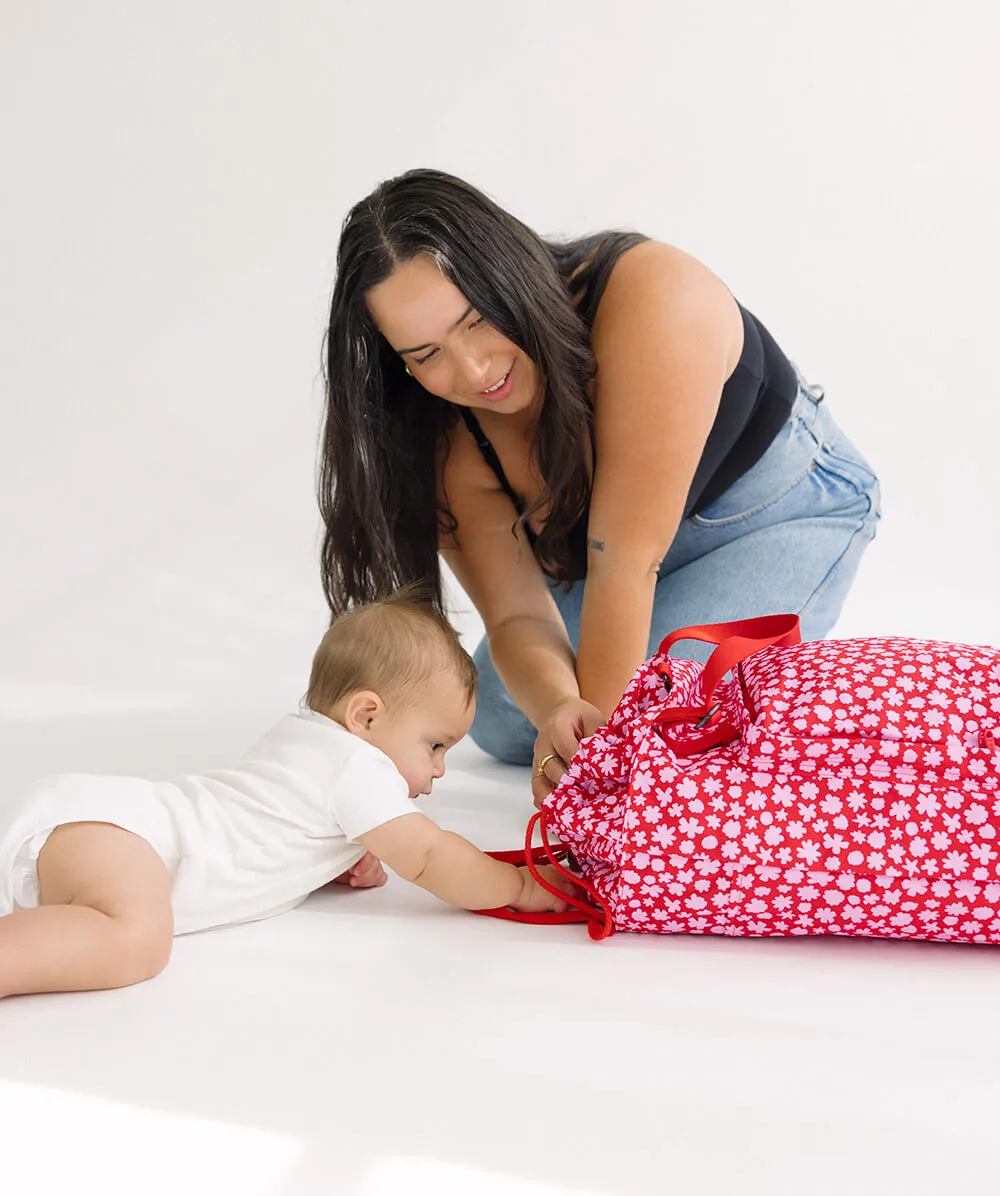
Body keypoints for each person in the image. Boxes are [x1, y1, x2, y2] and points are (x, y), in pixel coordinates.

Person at [319, 169, 882, 807]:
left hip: (772, 513)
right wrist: (561, 705)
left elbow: (627, 562)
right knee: (509, 719)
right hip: (612, 558)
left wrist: (599, 782)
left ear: (508, 271)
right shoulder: (444, 438)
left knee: (666, 725)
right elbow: (516, 615)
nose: (472, 371)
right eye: (426, 355)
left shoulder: (654, 296)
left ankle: (795, 667)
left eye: (476, 320)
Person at [0, 590, 574, 998]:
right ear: (367, 715)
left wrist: (330, 861)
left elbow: (267, 827)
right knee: (138, 943)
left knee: (117, 930)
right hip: (131, 840)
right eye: (435, 746)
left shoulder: (306, 738)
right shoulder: (357, 767)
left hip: (110, 827)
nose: (441, 770)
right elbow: (428, 856)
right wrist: (518, 887)